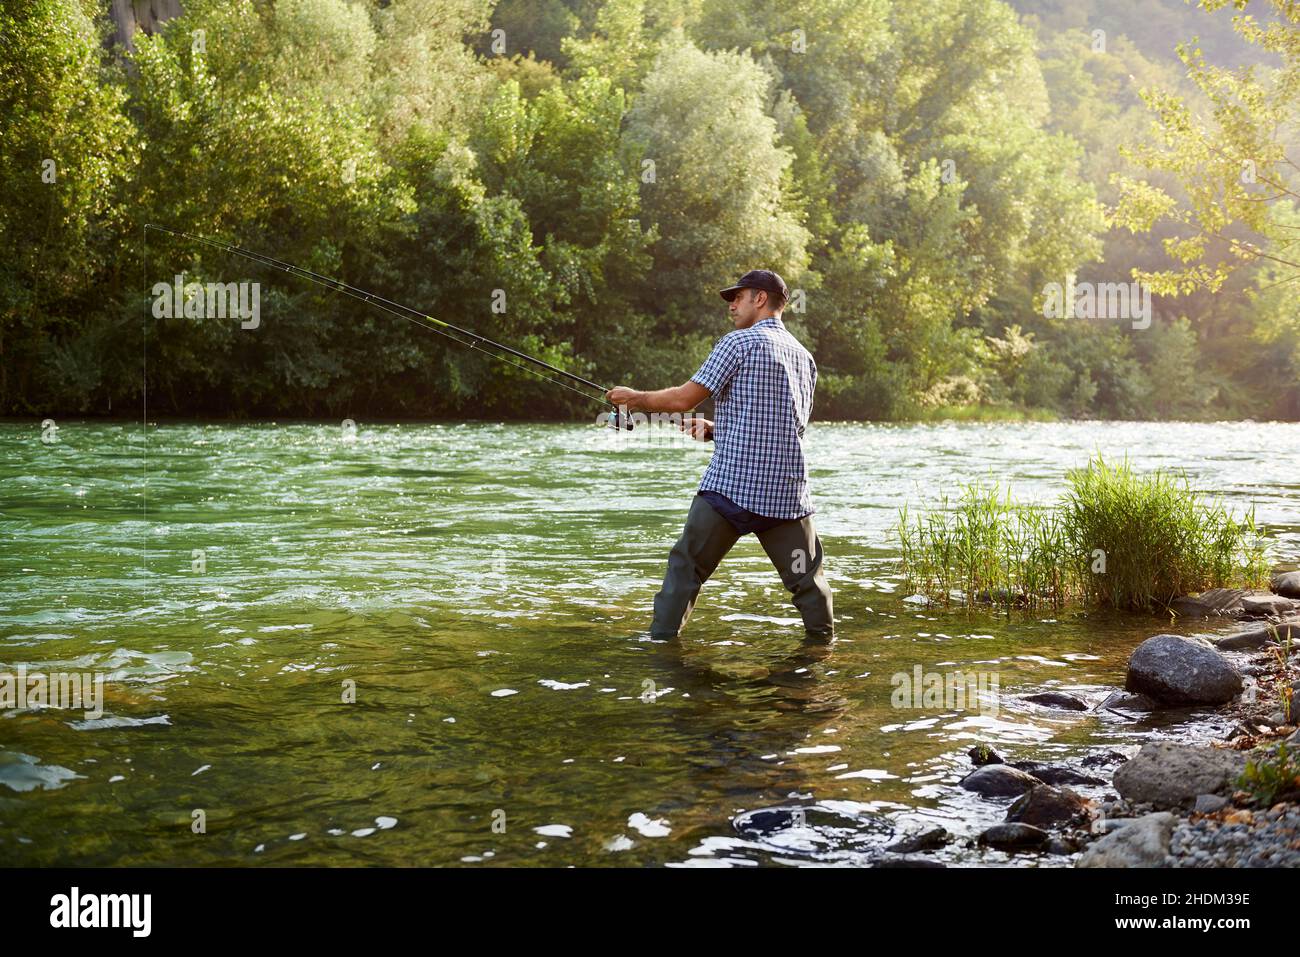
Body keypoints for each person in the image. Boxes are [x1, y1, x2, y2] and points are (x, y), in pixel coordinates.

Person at [605, 269, 834, 642]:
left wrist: (634, 398)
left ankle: (662, 647)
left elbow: (683, 399)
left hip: (732, 488)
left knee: (687, 566)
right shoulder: (804, 358)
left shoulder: (737, 344)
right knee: (808, 582)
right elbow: (788, 426)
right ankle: (823, 651)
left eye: (737, 296)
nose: (731, 304)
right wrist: (717, 429)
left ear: (760, 299)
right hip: (786, 494)